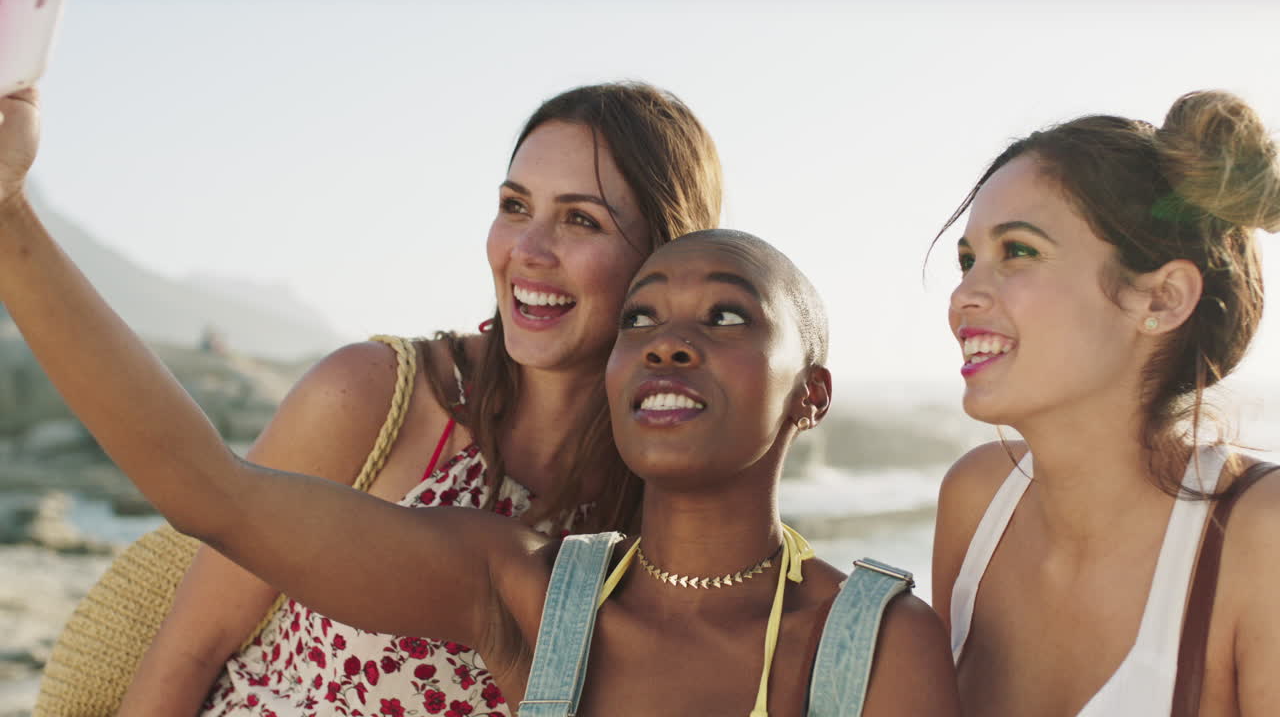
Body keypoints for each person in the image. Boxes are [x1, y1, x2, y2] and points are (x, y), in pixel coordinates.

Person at [0, 166, 961, 713]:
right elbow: (213, 493)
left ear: (814, 395)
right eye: (640, 319)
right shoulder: (533, 594)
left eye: (726, 318)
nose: (669, 339)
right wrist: (8, 213)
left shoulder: (875, 646)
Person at [0, 81, 723, 715]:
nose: (527, 249)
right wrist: (9, 213)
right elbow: (190, 645)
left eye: (580, 219)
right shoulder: (380, 395)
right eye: (514, 205)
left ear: (666, 259)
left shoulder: (668, 514)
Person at [930, 90, 1280, 716]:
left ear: (1162, 299)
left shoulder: (1260, 535)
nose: (964, 297)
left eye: (1018, 251)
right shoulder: (976, 503)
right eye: (967, 260)